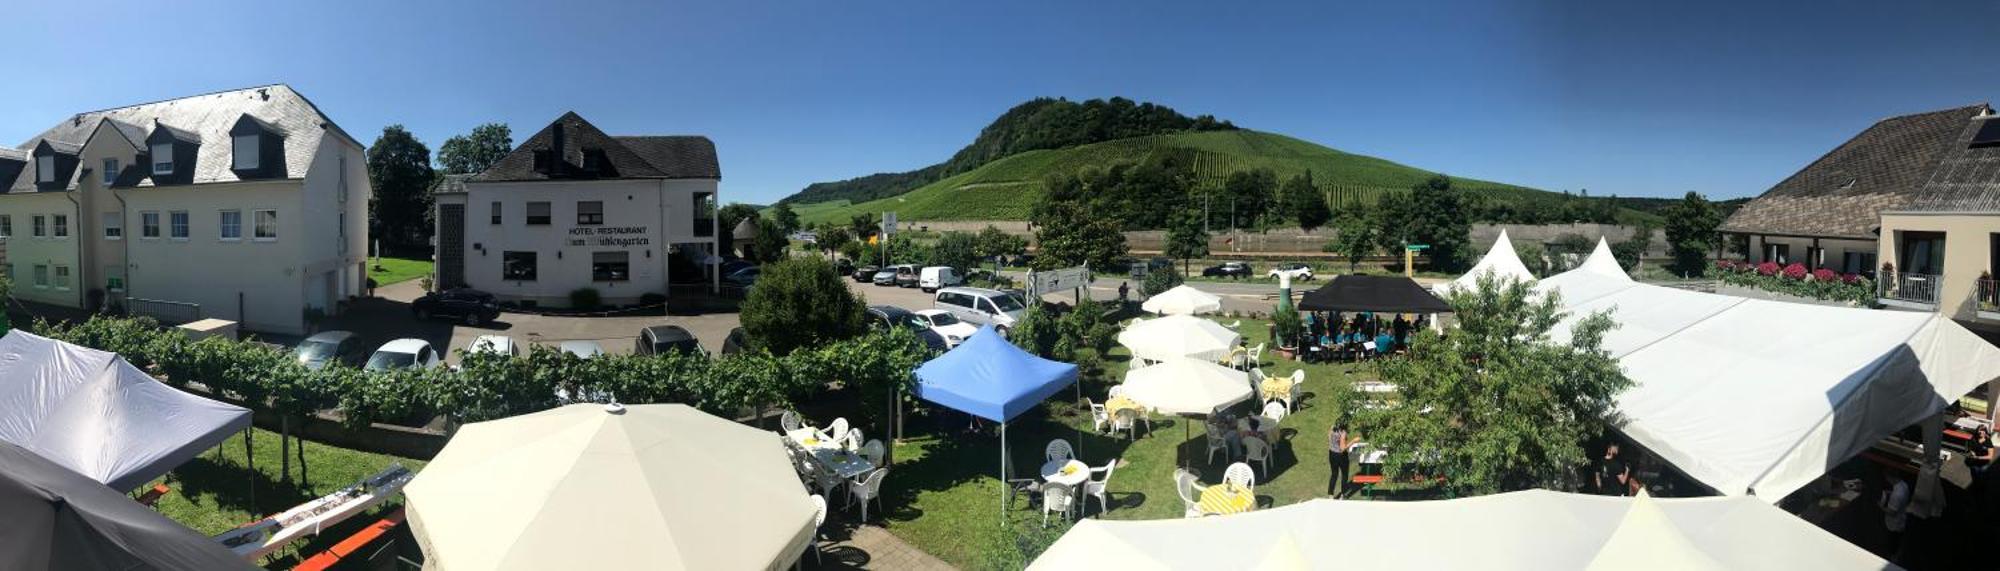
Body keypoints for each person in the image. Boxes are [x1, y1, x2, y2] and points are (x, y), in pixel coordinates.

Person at [1879, 470, 1910, 555]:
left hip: (1894, 524)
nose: (1886, 480)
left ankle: (1892, 556)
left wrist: (1881, 507)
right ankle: (1897, 552)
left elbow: (1892, 512)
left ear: (1890, 477)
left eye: (1887, 478)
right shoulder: (1903, 484)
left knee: (1892, 543)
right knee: (1898, 540)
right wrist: (1890, 493)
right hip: (1902, 519)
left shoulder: (1897, 495)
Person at [1328, 423, 1352, 497]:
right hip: (1341, 456)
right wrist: (1353, 441)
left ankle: (1330, 495)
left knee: (1334, 474)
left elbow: (1329, 436)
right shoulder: (1343, 432)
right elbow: (1342, 448)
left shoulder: (1333, 427)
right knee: (1344, 475)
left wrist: (1333, 445)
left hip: (1332, 454)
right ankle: (1343, 494)